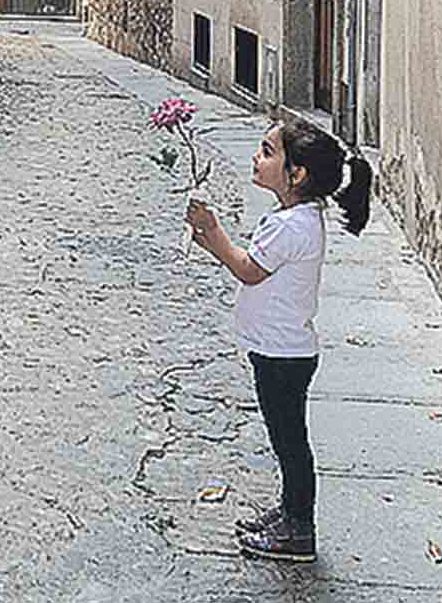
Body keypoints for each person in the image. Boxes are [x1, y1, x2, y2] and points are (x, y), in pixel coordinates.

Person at [185, 121, 373, 564]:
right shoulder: (300, 219)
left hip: (281, 354)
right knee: (287, 438)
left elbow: (249, 269)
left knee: (289, 443)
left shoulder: (291, 227)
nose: (257, 157)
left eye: (267, 151)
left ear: (297, 174)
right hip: (284, 351)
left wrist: (212, 233)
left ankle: (298, 531)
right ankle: (290, 513)